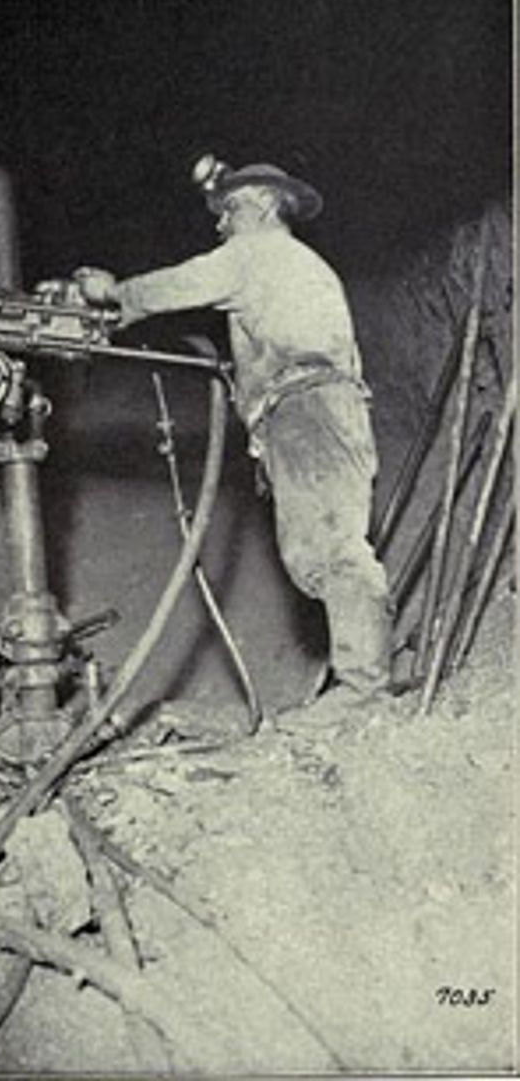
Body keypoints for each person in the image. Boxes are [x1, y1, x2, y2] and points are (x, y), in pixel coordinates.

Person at [73, 155, 392, 726]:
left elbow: (185, 282)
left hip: (307, 411)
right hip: (317, 410)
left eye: (230, 210)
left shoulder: (258, 253)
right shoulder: (298, 267)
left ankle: (363, 689)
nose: (220, 223)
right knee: (319, 547)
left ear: (265, 204)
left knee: (331, 548)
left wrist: (112, 294)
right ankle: (359, 679)